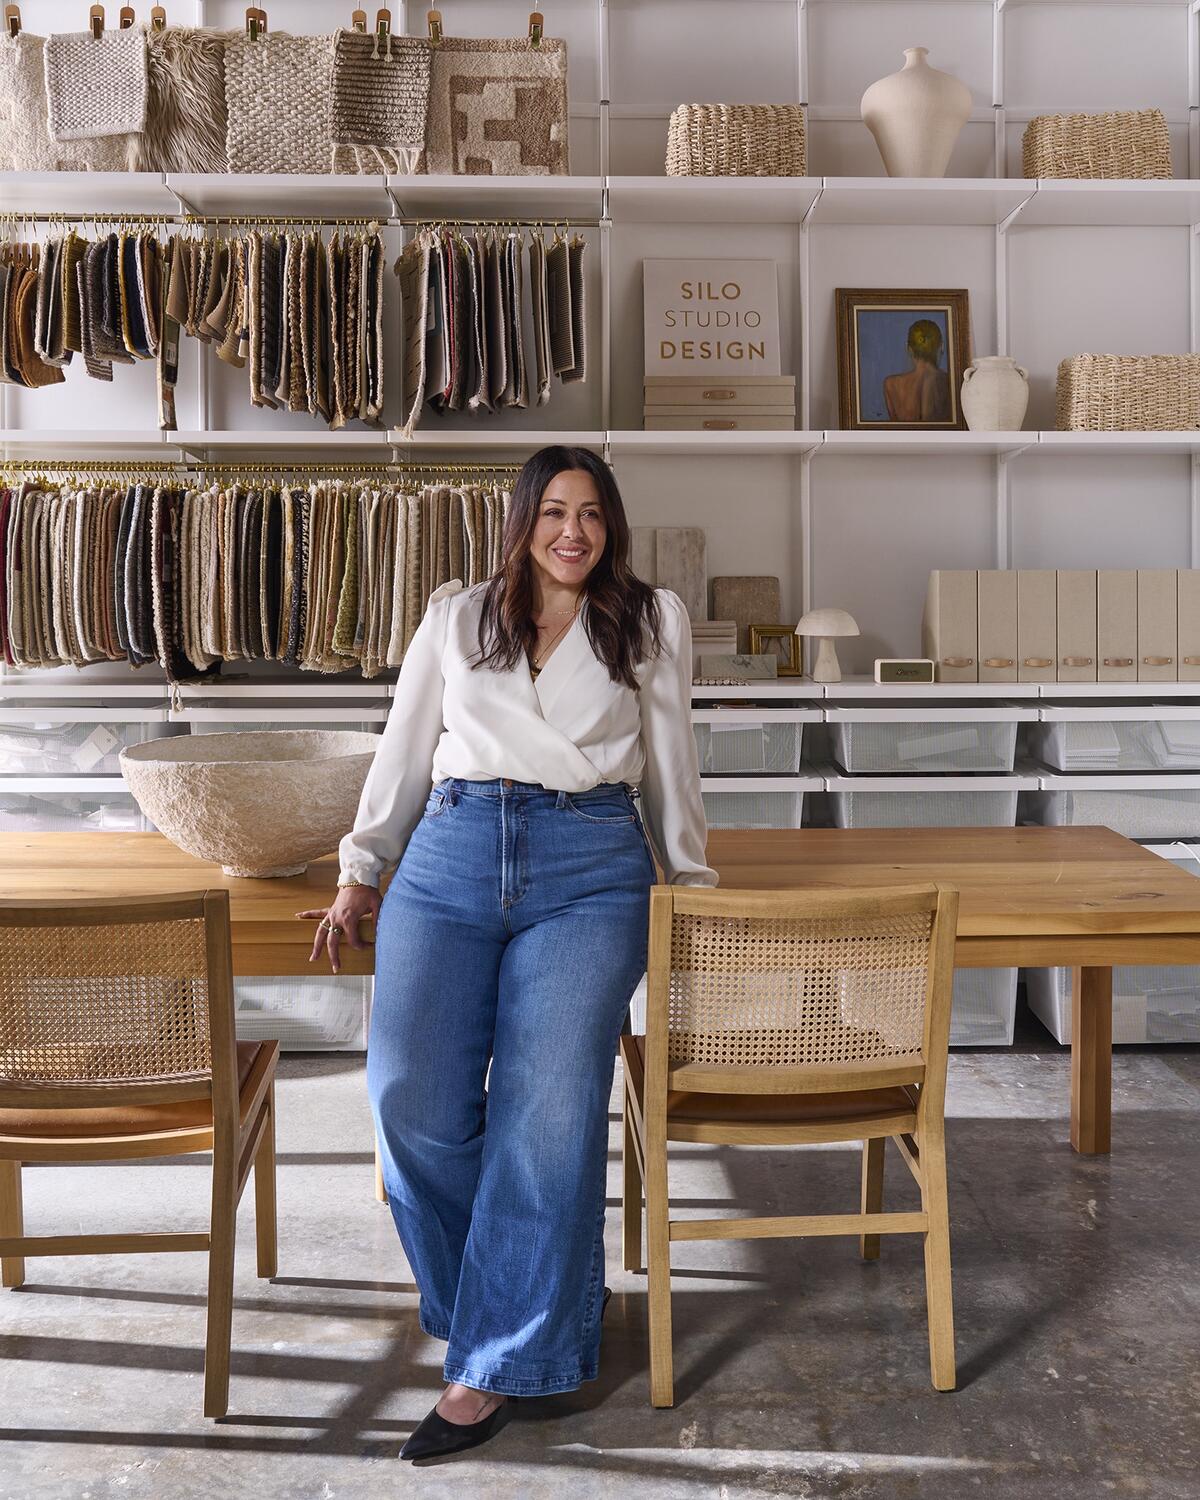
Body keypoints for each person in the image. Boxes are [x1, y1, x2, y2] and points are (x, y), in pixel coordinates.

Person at [300, 445, 718, 1462]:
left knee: (548, 1104)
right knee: (408, 1098)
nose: (574, 532)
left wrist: (691, 895)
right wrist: (362, 867)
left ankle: (492, 1364)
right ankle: (493, 1303)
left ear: (609, 527)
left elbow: (672, 768)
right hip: (448, 853)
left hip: (591, 866)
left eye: (592, 515)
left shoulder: (650, 619)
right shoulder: (456, 617)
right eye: (555, 513)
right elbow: (404, 749)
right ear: (524, 520)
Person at [882, 317, 952, 423]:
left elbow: (896, 431)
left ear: (908, 348)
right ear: (942, 346)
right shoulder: (951, 383)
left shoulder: (891, 385)